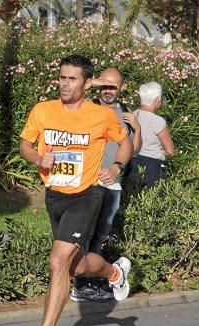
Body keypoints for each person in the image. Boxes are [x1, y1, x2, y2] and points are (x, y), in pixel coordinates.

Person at [13, 55, 134, 326]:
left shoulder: (100, 116)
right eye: (62, 78)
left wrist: (117, 166)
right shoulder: (43, 110)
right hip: (54, 196)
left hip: (85, 196)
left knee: (58, 262)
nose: (65, 84)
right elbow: (25, 144)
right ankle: (114, 272)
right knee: (75, 266)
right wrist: (37, 158)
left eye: (72, 79)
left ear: (87, 82)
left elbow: (126, 143)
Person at [70, 67, 142, 303]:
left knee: (100, 236)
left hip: (114, 185)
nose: (108, 91)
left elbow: (135, 148)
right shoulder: (87, 107)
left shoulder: (126, 113)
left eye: (113, 86)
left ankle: (89, 283)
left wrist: (137, 129)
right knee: (85, 235)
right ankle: (80, 285)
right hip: (90, 183)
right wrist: (87, 85)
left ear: (122, 88)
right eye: (104, 86)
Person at [131, 81, 175, 187]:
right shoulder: (157, 121)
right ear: (156, 100)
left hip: (131, 164)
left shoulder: (132, 115)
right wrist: (160, 151)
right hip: (151, 167)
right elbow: (170, 151)